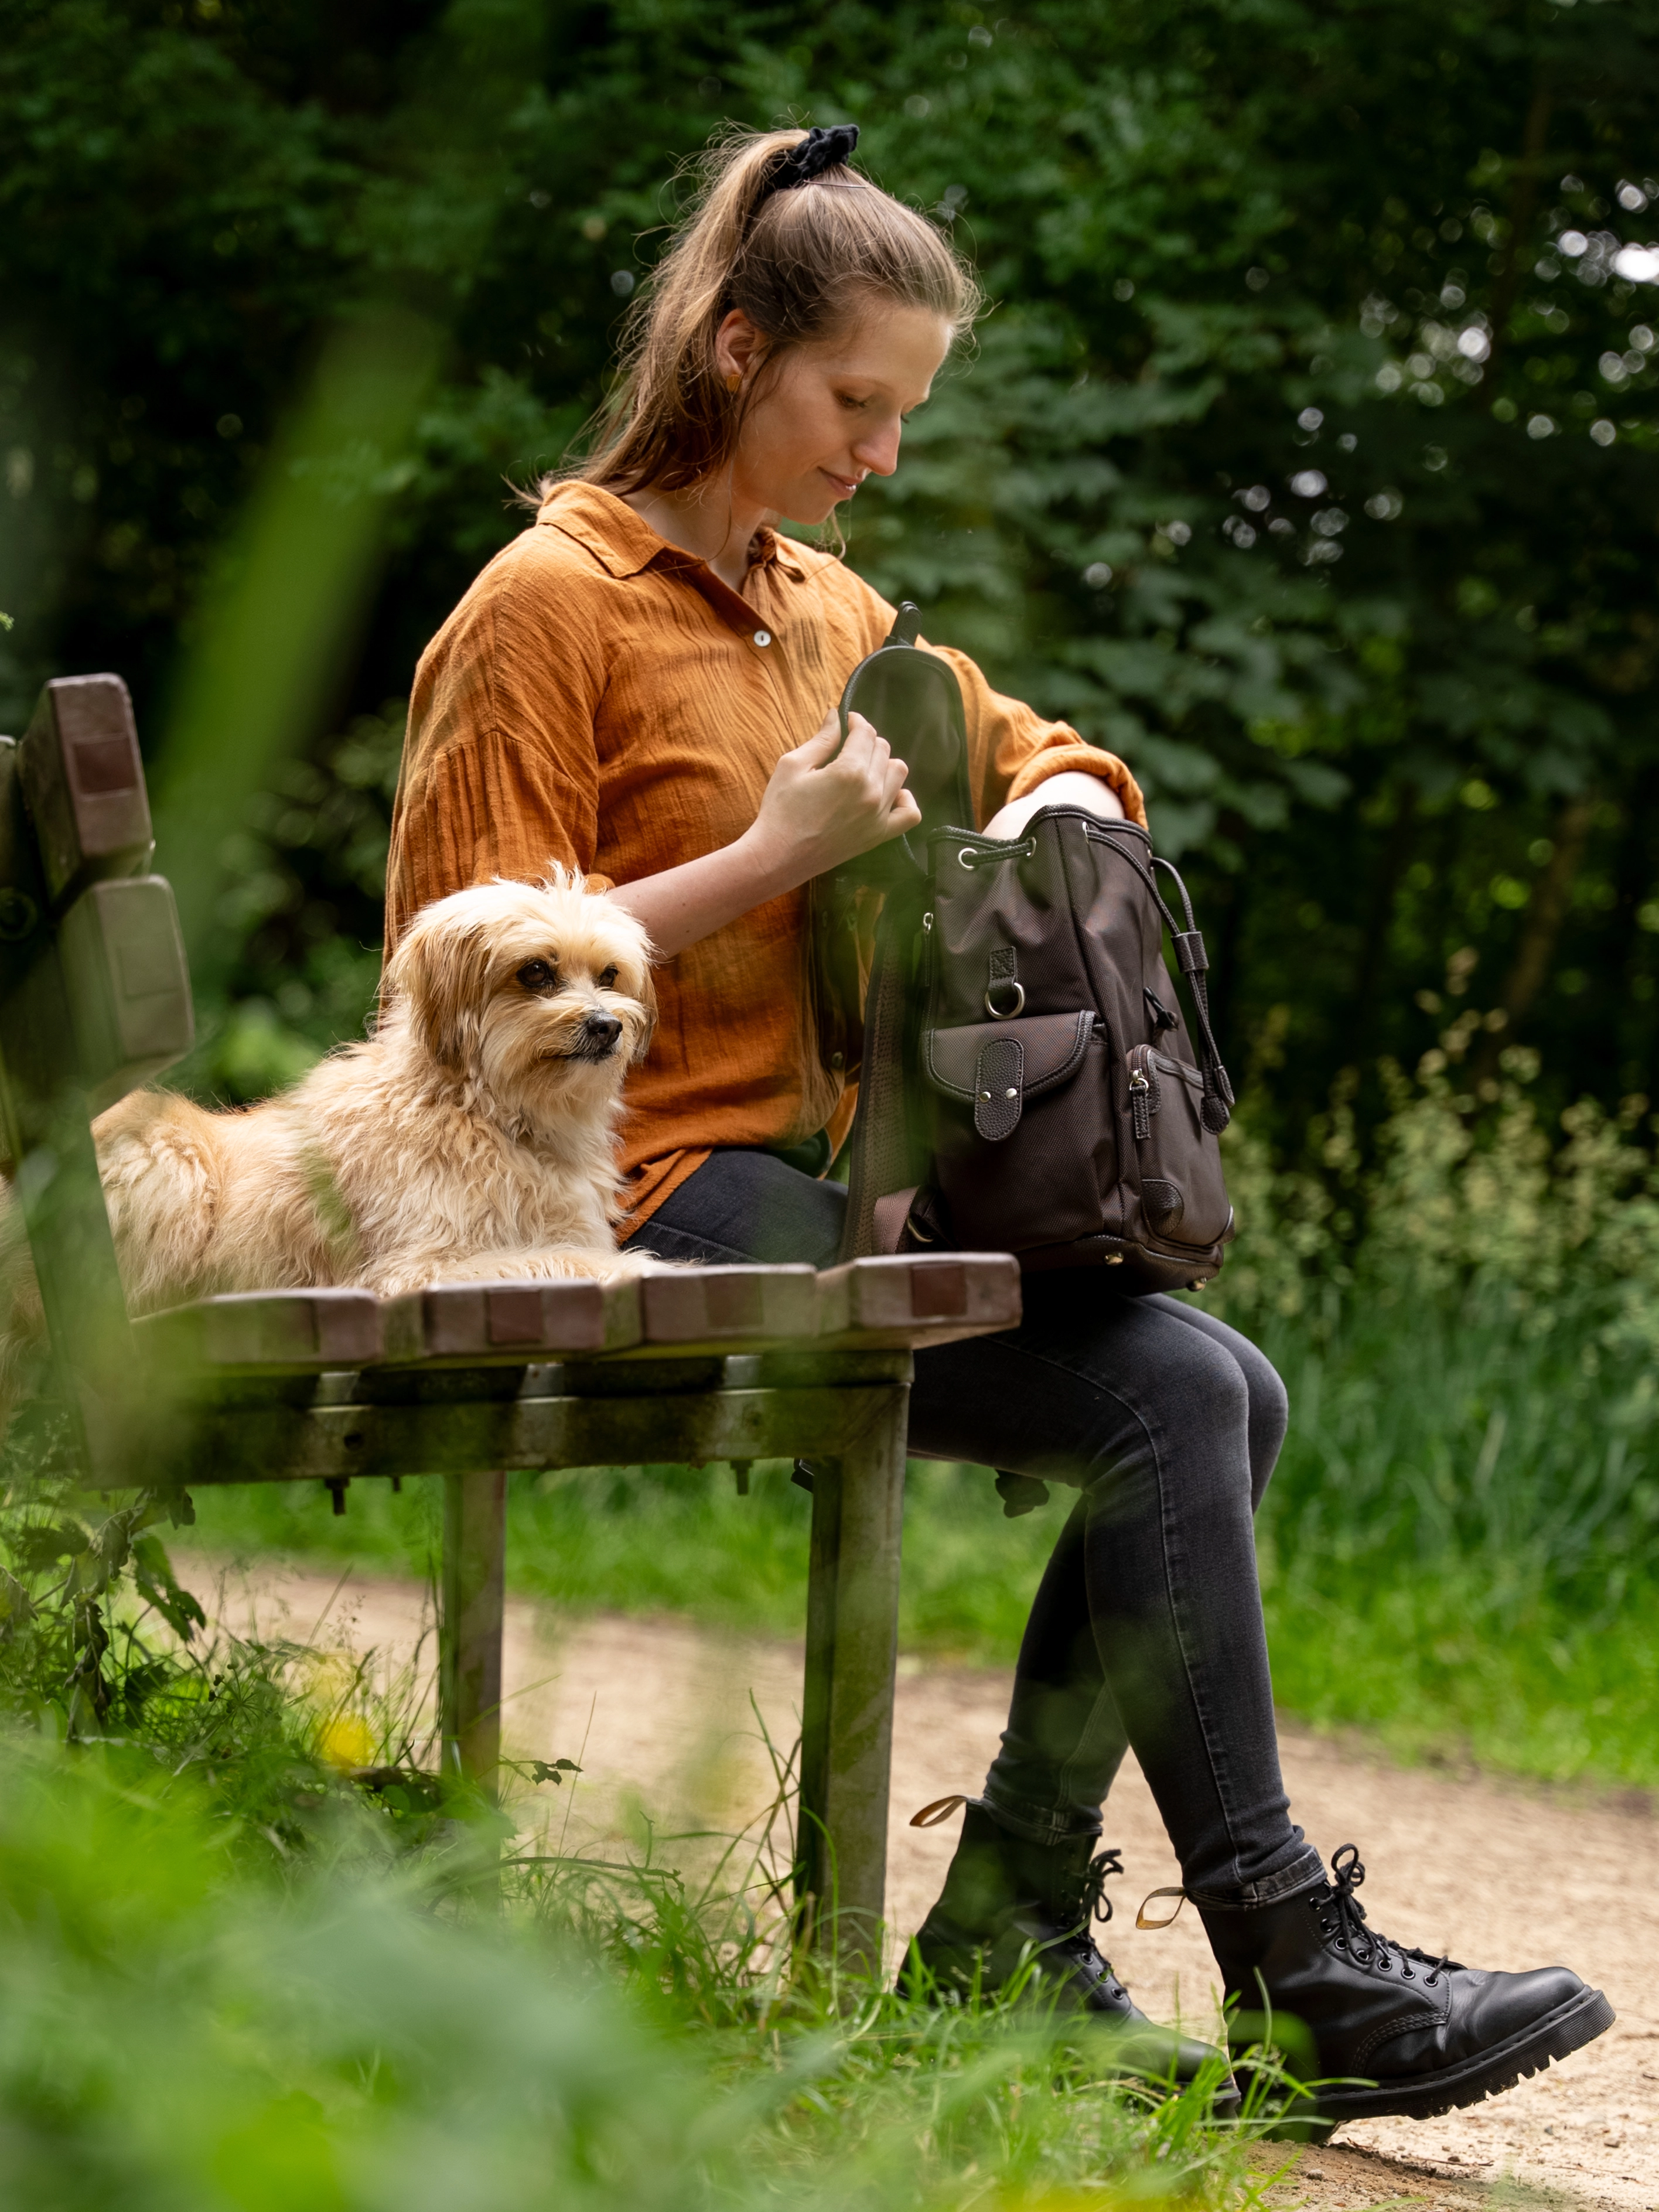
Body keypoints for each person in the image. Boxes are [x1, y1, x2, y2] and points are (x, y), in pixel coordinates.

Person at [385, 124, 1611, 2115]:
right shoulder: (546, 606)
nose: (880, 450)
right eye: (853, 401)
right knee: (1180, 1397)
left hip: (814, 1188)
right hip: (617, 1198)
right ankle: (1273, 1958)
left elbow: (1033, 740)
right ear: (730, 352)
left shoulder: (823, 613)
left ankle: (1015, 1941)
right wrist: (774, 856)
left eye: (903, 414)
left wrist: (1063, 804)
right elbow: (460, 989)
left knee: (1229, 1386)